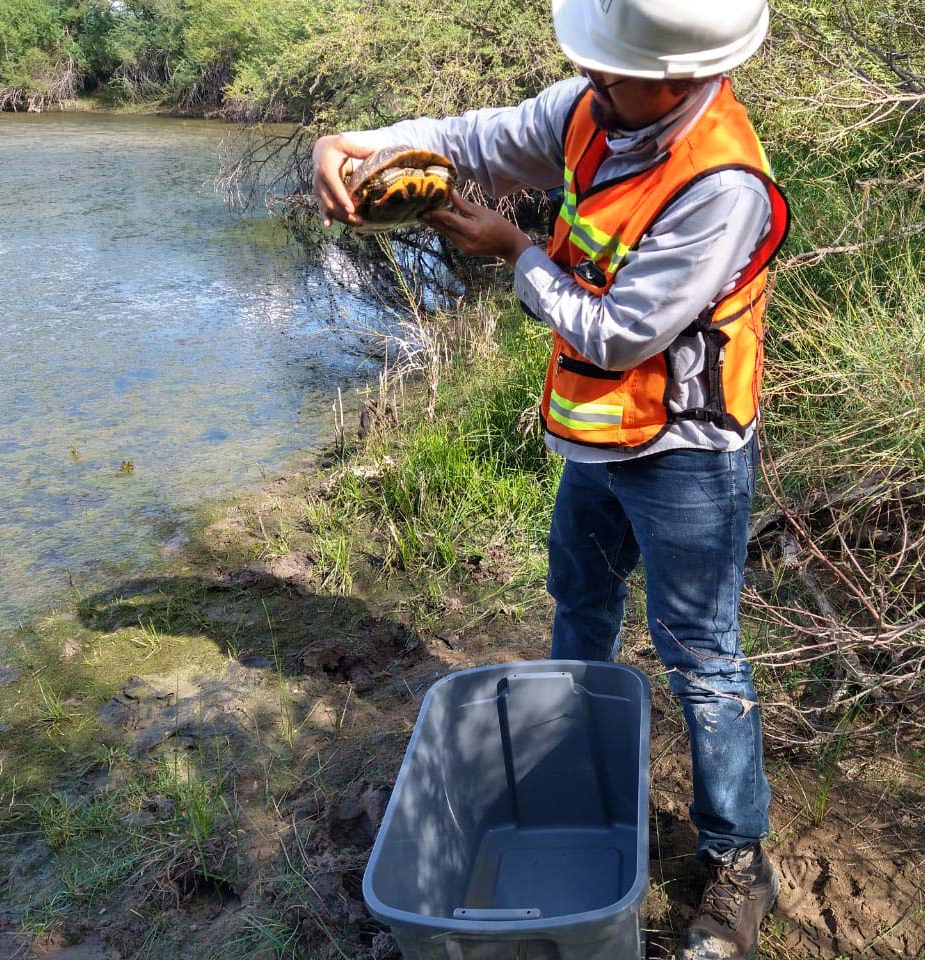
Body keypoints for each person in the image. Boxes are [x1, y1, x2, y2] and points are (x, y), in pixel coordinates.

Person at [313, 1, 790, 956]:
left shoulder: (721, 186)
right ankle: (576, 781)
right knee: (578, 606)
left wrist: (515, 253)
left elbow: (618, 334)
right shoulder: (596, 108)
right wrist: (354, 143)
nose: (592, 87)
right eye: (593, 69)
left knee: (701, 654)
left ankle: (739, 860)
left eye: (612, 73)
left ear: (685, 75)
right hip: (597, 444)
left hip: (687, 457)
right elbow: (478, 138)